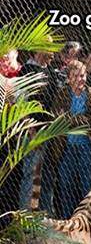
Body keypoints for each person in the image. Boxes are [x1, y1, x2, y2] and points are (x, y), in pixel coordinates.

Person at [52, 60, 91, 218]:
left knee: (85, 187)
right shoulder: (61, 94)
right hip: (65, 147)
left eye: (82, 75)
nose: (80, 79)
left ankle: (85, 220)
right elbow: (57, 118)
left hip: (86, 147)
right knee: (65, 187)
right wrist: (82, 119)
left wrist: (71, 119)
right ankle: (68, 221)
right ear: (68, 78)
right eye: (76, 76)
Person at [19, 51, 59, 213]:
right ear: (38, 50)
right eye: (48, 47)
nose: (53, 52)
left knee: (49, 173)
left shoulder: (50, 71)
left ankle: (46, 211)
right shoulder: (26, 70)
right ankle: (24, 213)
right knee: (29, 173)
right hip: (32, 130)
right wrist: (30, 129)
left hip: (50, 130)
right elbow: (21, 103)